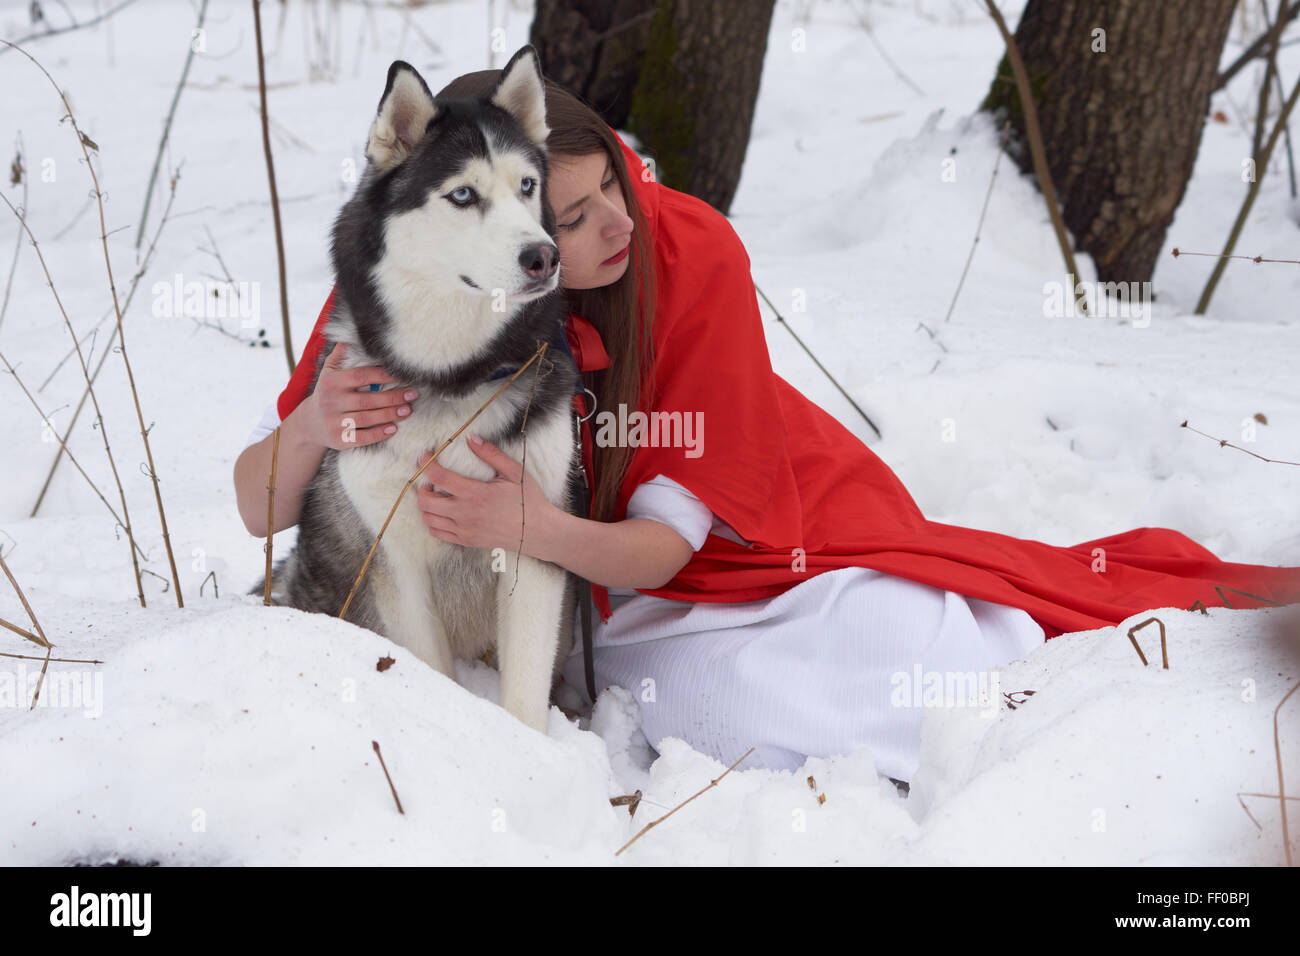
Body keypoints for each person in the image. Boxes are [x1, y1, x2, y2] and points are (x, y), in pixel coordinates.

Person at [234, 69, 1300, 784]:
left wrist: (532, 527)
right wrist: (313, 427)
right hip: (631, 605)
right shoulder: (415, 277)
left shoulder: (688, 252)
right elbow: (259, 504)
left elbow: (675, 535)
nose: (603, 229)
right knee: (715, 708)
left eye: (613, 185)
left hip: (762, 532)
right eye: (566, 217)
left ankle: (1065, 719)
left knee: (911, 651)